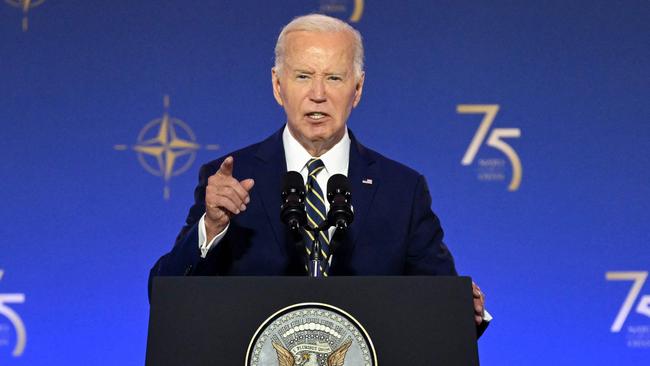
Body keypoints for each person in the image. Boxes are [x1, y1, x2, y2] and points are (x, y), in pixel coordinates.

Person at [149, 13, 489, 330]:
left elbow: (441, 311)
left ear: (357, 89)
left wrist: (464, 310)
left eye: (334, 78)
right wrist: (211, 227)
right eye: (303, 76)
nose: (318, 95)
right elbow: (165, 295)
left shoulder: (402, 189)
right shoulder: (231, 177)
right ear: (277, 86)